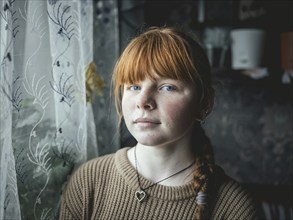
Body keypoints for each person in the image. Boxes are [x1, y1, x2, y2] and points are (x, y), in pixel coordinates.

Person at [59, 26, 260, 220]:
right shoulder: (88, 181)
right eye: (134, 86)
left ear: (204, 103)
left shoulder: (235, 208)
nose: (143, 101)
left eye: (167, 87)